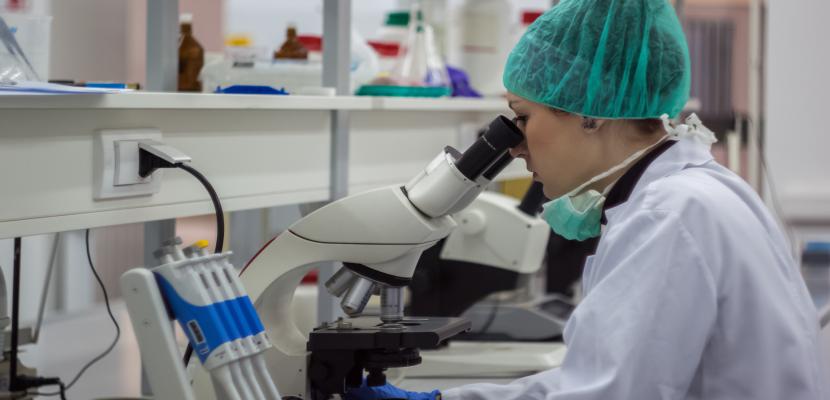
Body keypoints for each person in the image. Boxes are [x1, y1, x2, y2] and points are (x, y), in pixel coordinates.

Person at [346, 0, 829, 398]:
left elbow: (606, 393)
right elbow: (593, 381)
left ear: (590, 114)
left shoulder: (668, 216)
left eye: (522, 117)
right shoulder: (690, 194)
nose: (514, 147)